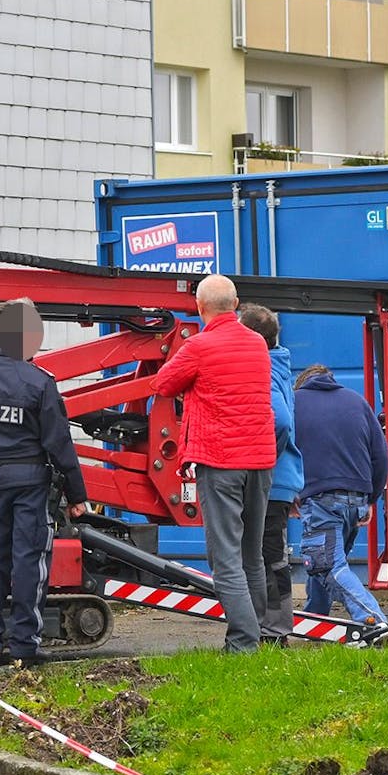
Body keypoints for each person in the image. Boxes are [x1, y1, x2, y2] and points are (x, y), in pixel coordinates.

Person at [0, 298, 86, 668]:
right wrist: (77, 495)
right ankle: (24, 643)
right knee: (28, 561)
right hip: (30, 484)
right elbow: (58, 442)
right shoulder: (39, 382)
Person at [151, 276, 276, 653]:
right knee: (251, 556)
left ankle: (243, 643)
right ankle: (259, 635)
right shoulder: (257, 343)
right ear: (236, 304)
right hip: (260, 461)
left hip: (220, 461)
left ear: (200, 309)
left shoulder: (199, 347)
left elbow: (163, 384)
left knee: (225, 560)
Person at [293, 364, 388, 629]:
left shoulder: (294, 402)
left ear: (301, 384)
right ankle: (315, 619)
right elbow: (380, 454)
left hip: (321, 499)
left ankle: (373, 621)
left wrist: (289, 492)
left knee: (327, 565)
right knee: (327, 560)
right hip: (357, 499)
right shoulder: (356, 401)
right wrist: (371, 498)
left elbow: (283, 449)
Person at [238, 304, 303, 646]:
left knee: (265, 557)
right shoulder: (278, 365)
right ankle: (272, 630)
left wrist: (263, 459)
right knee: (270, 556)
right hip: (281, 479)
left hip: (271, 480)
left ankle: (272, 632)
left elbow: (279, 421)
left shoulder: (263, 371)